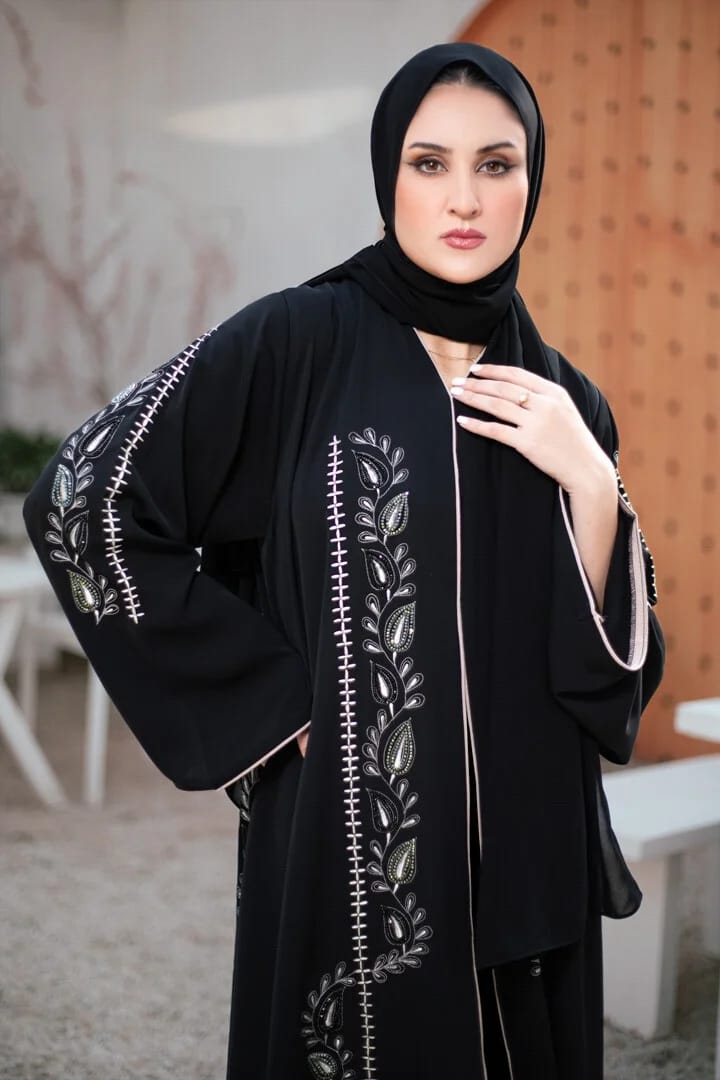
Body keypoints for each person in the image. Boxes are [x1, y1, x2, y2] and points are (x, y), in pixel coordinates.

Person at [23, 42, 664, 1080]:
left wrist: (593, 484)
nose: (465, 198)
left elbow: (605, 684)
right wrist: (276, 703)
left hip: (530, 841)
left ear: (532, 182)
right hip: (365, 837)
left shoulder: (564, 398)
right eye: (430, 163)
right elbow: (83, 498)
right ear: (387, 176)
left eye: (497, 165)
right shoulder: (299, 343)